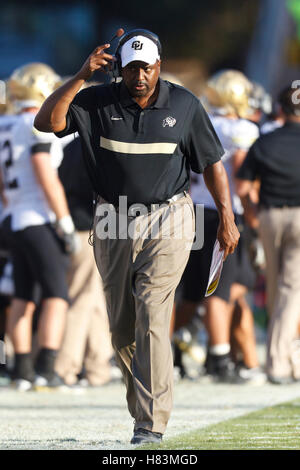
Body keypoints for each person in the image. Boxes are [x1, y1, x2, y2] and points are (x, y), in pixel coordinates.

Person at [34, 28, 239, 445]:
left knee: (151, 312)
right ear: (120, 69)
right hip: (112, 218)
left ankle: (151, 422)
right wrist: (79, 76)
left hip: (170, 217)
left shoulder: (183, 103)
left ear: (159, 65)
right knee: (122, 329)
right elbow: (46, 122)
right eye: (131, 68)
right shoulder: (95, 100)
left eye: (147, 67)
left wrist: (227, 218)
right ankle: (143, 406)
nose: (140, 76)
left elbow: (213, 163)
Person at [175, 70, 263, 384]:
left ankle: (174, 348)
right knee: (218, 292)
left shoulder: (195, 121)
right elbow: (242, 178)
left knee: (191, 292)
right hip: (222, 214)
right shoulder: (240, 130)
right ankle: (219, 357)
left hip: (194, 211)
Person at [0, 63, 78, 391]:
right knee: (56, 294)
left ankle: (22, 369)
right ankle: (46, 367)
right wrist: (64, 221)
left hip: (12, 217)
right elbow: (44, 172)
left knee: (22, 295)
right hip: (37, 218)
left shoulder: (4, 123)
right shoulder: (37, 125)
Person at [237, 85, 300, 384]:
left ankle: (285, 355)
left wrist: (254, 217)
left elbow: (243, 187)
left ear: (281, 109)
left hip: (270, 216)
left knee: (276, 287)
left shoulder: (266, 140)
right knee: (290, 289)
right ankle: (278, 362)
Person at [55, 135, 113, 386]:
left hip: (80, 224)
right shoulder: (99, 145)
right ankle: (64, 366)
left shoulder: (70, 147)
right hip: (88, 227)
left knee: (96, 299)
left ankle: (98, 367)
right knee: (82, 297)